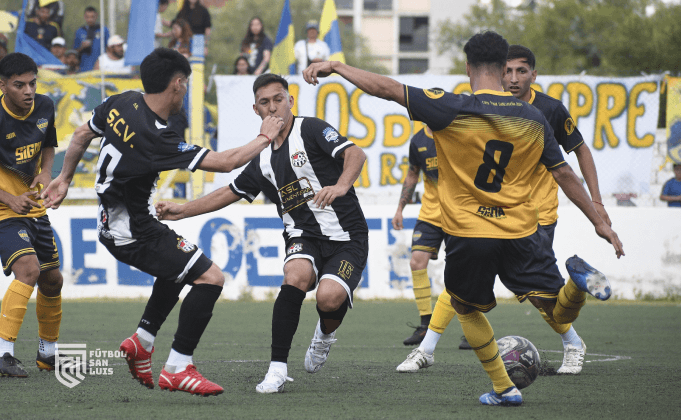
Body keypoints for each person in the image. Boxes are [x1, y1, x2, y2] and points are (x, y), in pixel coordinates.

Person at [303, 31, 624, 406]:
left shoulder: (450, 107)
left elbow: (387, 89)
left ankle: (504, 388)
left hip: (470, 233)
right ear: (503, 70)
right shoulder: (535, 118)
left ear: (468, 67)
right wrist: (599, 222)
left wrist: (337, 66)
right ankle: (576, 286)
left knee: (465, 307)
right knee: (556, 307)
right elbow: (565, 174)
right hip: (523, 231)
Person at [41, 48, 283, 396]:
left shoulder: (121, 101)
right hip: (133, 232)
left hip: (119, 223)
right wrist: (265, 136)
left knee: (180, 268)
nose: (185, 92)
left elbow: (80, 135)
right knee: (211, 278)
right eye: (186, 85)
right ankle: (178, 367)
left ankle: (142, 341)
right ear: (177, 84)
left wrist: (64, 178)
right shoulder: (157, 136)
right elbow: (225, 162)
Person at [396, 44, 614, 375]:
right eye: (508, 71)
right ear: (499, 72)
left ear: (533, 75)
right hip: (491, 213)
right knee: (462, 285)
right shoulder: (484, 109)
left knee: (536, 298)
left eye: (520, 71)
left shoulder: (548, 110)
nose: (513, 78)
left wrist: (596, 202)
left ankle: (571, 342)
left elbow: (578, 153)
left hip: (536, 216)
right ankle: (427, 349)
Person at [155, 73, 369, 394]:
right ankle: (277, 370)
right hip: (302, 235)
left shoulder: (311, 129)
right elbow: (229, 191)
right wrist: (182, 210)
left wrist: (340, 186)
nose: (273, 108)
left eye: (278, 99)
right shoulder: (262, 157)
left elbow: (355, 154)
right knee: (294, 276)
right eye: (265, 103)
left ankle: (325, 335)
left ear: (290, 101)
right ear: (256, 110)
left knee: (328, 299)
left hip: (347, 236)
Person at [0, 53, 63, 377]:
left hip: (33, 207)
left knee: (52, 280)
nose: (28, 91)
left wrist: (47, 172)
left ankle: (47, 353)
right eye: (19, 85)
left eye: (32, 83)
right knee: (28, 269)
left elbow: (48, 144)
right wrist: (9, 198)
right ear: (2, 85)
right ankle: (3, 352)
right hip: (3, 209)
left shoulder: (45, 106)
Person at [392, 123, 465, 348]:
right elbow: (412, 174)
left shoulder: (458, 133)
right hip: (430, 214)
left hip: (459, 213)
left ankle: (470, 328)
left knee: (463, 270)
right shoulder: (418, 141)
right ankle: (425, 324)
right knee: (416, 262)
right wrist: (400, 208)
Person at [73, 6, 109, 72]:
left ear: (96, 16)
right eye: (87, 17)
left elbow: (109, 49)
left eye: (92, 17)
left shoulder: (103, 30)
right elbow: (74, 52)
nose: (90, 20)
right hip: (84, 68)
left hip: (100, 68)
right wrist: (82, 47)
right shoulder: (80, 31)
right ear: (84, 17)